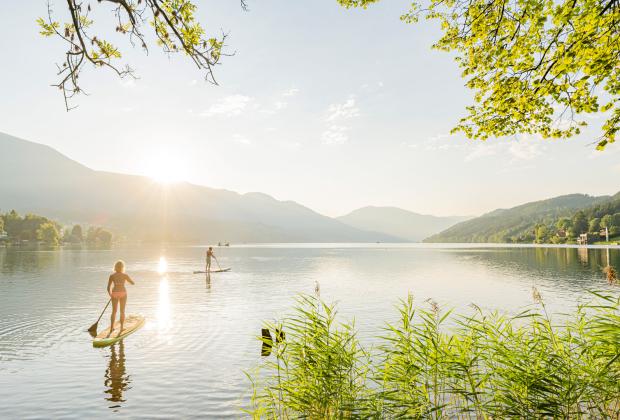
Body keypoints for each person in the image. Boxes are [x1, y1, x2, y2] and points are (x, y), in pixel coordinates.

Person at [106, 260, 135, 337]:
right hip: (123, 293)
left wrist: (110, 295)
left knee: (114, 311)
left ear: (115, 267)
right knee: (122, 311)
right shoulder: (125, 275)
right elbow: (132, 283)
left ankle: (112, 328)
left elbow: (108, 288)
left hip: (114, 293)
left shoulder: (111, 276)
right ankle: (121, 328)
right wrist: (129, 280)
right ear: (122, 267)